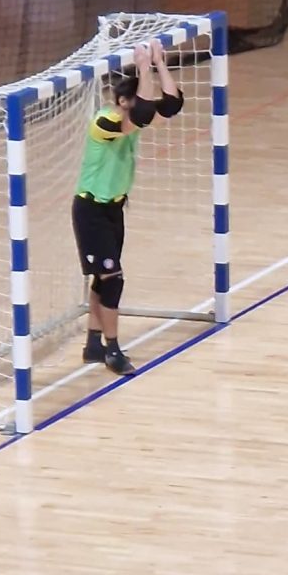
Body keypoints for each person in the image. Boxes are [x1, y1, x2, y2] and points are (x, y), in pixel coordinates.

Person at [72, 37, 183, 378]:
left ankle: (93, 344)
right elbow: (145, 112)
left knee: (104, 278)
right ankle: (112, 350)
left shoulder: (131, 122)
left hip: (113, 210)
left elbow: (171, 104)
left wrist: (160, 63)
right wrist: (143, 67)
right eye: (137, 98)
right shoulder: (104, 123)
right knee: (113, 280)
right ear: (123, 101)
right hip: (91, 211)